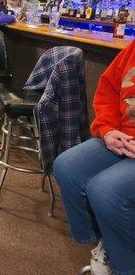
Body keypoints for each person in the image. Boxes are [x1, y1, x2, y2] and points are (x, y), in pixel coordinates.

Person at [53, 40, 135, 275]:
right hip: (122, 137)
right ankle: (109, 242)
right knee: (67, 167)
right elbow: (108, 88)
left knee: (105, 189)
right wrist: (108, 130)